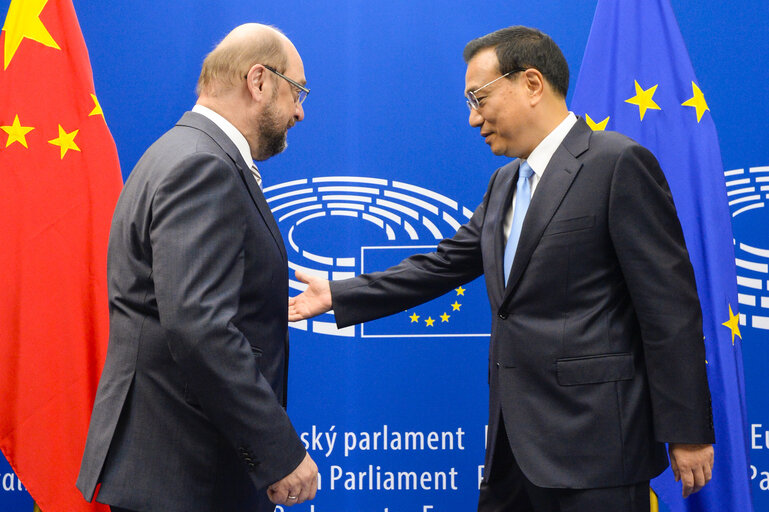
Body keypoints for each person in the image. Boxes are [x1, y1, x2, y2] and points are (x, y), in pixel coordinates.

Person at [289, 26, 714, 512]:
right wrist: (341, 293)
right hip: (512, 453)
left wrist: (687, 431)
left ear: (532, 83)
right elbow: (444, 263)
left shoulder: (617, 164)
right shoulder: (504, 182)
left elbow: (669, 309)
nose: (473, 119)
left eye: (479, 97)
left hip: (596, 451)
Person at [76, 24, 317, 512]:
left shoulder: (178, 150)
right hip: (187, 476)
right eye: (298, 91)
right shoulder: (203, 165)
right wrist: (277, 450)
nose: (299, 111)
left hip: (176, 472)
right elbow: (199, 326)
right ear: (259, 81)